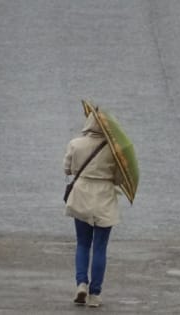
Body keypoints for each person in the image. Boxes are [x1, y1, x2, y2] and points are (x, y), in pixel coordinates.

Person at [63, 112, 123, 307]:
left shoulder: (76, 143)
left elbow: (68, 169)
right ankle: (95, 295)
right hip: (104, 198)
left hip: (81, 196)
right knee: (100, 247)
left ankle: (81, 283)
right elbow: (120, 179)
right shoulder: (115, 149)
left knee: (82, 243)